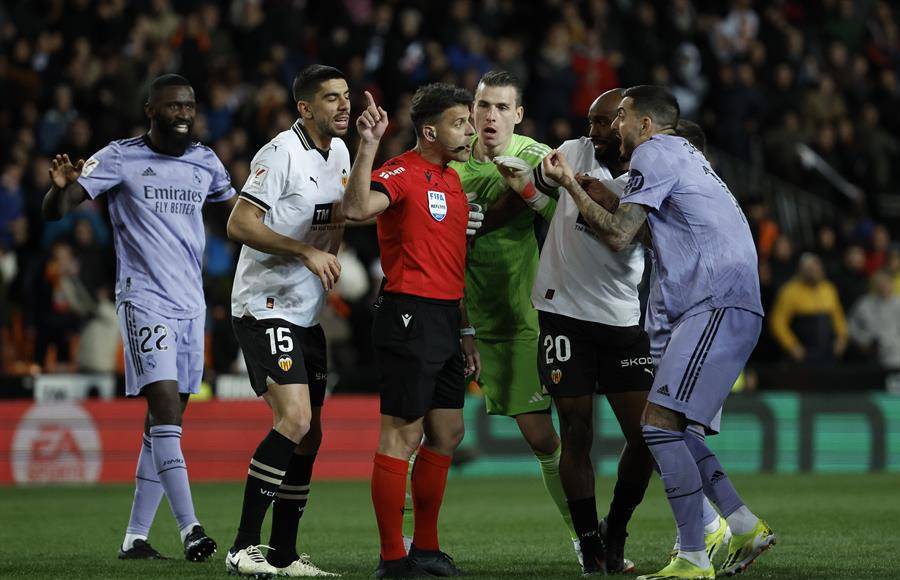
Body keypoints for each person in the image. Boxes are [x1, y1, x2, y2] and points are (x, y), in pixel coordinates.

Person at [541, 85, 775, 580]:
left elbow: (619, 233)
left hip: (713, 299)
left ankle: (693, 554)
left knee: (656, 427)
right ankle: (741, 523)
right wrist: (611, 193)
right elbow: (653, 230)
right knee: (673, 425)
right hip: (720, 301)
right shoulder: (682, 154)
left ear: (645, 125)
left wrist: (572, 186)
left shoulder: (653, 151)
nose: (613, 128)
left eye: (620, 116)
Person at [42, 74, 231, 562]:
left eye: (189, 105)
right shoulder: (120, 156)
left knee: (164, 421)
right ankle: (191, 529)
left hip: (191, 305)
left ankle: (135, 538)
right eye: (172, 106)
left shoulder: (205, 161)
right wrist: (59, 190)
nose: (183, 113)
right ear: (151, 110)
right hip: (144, 299)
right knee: (166, 409)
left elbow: (239, 220)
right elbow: (57, 209)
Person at [342, 84, 480, 578]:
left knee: (447, 432)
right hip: (408, 314)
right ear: (430, 131)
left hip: (446, 317)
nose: (469, 129)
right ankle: (392, 557)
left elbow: (453, 260)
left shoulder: (454, 181)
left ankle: (425, 548)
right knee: (402, 434)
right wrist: (368, 145)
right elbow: (356, 211)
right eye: (460, 122)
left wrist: (465, 329)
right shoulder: (399, 172)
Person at [447, 70, 582, 563]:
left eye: (502, 108)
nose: (490, 117)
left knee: (543, 438)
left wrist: (530, 188)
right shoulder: (449, 162)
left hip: (518, 319)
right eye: (483, 106)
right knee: (426, 432)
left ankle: (582, 536)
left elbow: (568, 218)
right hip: (451, 316)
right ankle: (405, 550)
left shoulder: (530, 156)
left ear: (518, 115)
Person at [224, 64, 349, 578]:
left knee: (310, 436)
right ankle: (243, 547)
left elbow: (339, 218)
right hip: (264, 304)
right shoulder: (280, 153)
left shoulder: (339, 152)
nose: (343, 105)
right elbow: (239, 222)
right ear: (304, 108)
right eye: (330, 98)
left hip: (306, 312)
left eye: (345, 96)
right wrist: (304, 252)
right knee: (294, 420)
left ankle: (284, 554)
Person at [769, 253, 847, 365]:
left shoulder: (829, 289)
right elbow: (777, 323)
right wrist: (792, 346)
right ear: (801, 270)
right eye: (810, 269)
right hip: (803, 354)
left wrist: (841, 338)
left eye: (817, 268)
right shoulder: (789, 292)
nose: (815, 271)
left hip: (828, 353)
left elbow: (838, 318)